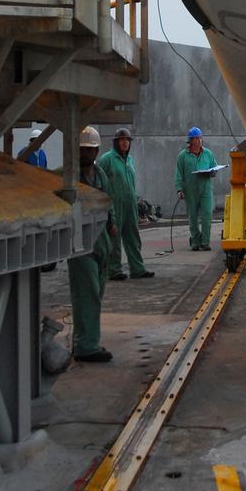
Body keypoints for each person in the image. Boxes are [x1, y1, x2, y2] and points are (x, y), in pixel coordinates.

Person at [68, 126, 119, 363]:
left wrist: (112, 223)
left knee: (95, 293)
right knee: (86, 293)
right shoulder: (69, 178)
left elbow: (109, 203)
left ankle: (86, 339)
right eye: (84, 150)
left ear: (97, 150)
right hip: (81, 243)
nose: (87, 154)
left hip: (101, 242)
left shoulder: (100, 176)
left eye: (91, 150)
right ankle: (86, 345)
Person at [98, 127, 154, 281]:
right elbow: (98, 182)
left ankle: (137, 268)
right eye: (122, 140)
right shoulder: (106, 159)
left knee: (133, 236)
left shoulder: (129, 160)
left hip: (130, 204)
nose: (125, 143)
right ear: (116, 142)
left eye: (127, 140)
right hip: (114, 205)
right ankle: (114, 270)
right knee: (114, 238)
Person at [175, 126, 218, 251]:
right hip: (190, 190)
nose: (199, 141)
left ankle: (205, 242)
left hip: (206, 189)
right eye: (196, 138)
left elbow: (214, 167)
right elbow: (178, 174)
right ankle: (195, 241)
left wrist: (212, 172)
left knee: (207, 215)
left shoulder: (208, 153)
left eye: (200, 138)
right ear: (190, 141)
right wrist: (179, 189)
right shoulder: (183, 156)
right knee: (193, 217)